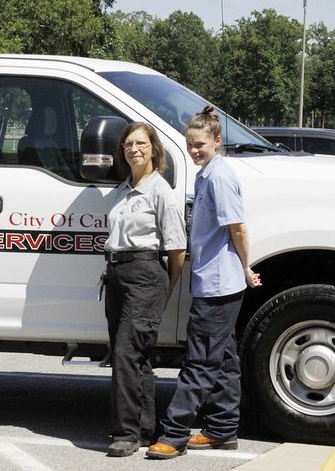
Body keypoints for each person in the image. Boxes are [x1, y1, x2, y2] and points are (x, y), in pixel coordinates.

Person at [147, 106, 262, 460]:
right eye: (189, 144)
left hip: (218, 284)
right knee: (224, 359)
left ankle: (175, 434)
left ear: (217, 140)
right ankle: (223, 429)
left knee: (198, 362)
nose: (194, 150)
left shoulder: (219, 177)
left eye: (200, 144)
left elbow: (237, 227)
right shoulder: (207, 174)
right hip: (215, 282)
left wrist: (245, 266)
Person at [104, 122, 187, 457]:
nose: (133, 149)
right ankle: (144, 429)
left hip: (145, 274)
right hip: (117, 275)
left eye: (140, 143)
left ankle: (126, 433)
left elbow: (177, 249)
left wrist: (164, 290)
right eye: (127, 144)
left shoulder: (160, 191)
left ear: (154, 148)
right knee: (133, 358)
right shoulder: (122, 190)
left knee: (127, 353)